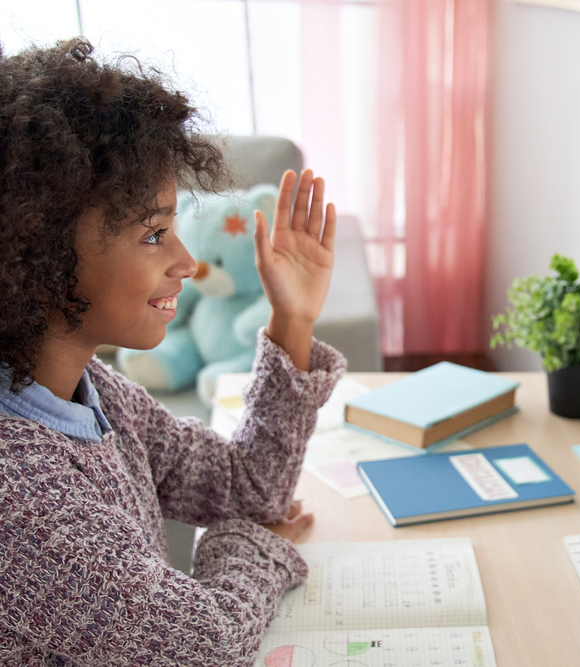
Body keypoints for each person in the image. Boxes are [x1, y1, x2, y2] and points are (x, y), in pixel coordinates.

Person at [0, 39, 345, 664]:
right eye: (154, 234)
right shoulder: (19, 497)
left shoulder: (92, 389)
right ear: (38, 251)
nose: (186, 262)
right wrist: (248, 547)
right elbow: (204, 645)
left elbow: (246, 487)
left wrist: (292, 319)